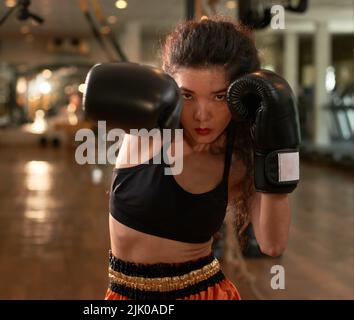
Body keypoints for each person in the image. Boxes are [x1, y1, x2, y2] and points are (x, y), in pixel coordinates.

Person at [83, 16, 300, 300]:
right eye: (187, 95)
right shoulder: (146, 133)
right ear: (169, 91)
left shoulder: (237, 161)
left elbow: (272, 245)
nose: (202, 114)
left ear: (239, 96)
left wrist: (276, 149)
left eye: (220, 97)